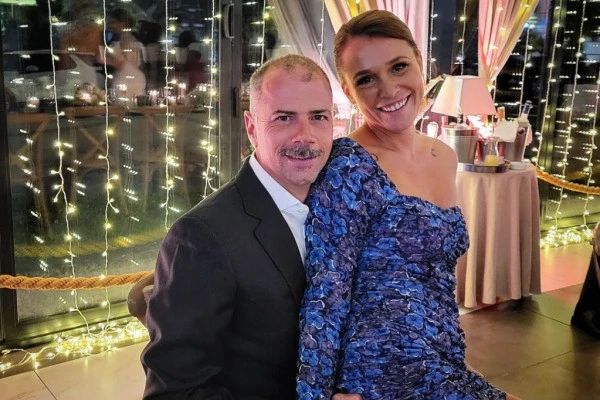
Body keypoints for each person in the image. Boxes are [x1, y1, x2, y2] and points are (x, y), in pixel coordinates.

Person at [297, 11, 517, 399]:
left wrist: (455, 359)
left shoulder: (444, 155)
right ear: (348, 91)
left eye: (398, 67)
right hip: (379, 371)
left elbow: (437, 280)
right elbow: (326, 296)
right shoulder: (348, 166)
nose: (388, 89)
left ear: (420, 62)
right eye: (366, 79)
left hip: (441, 357)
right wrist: (316, 396)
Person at [141, 53, 335, 399]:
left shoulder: (339, 204)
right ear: (251, 127)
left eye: (318, 117)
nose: (305, 136)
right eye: (284, 118)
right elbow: (175, 393)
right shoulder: (200, 237)